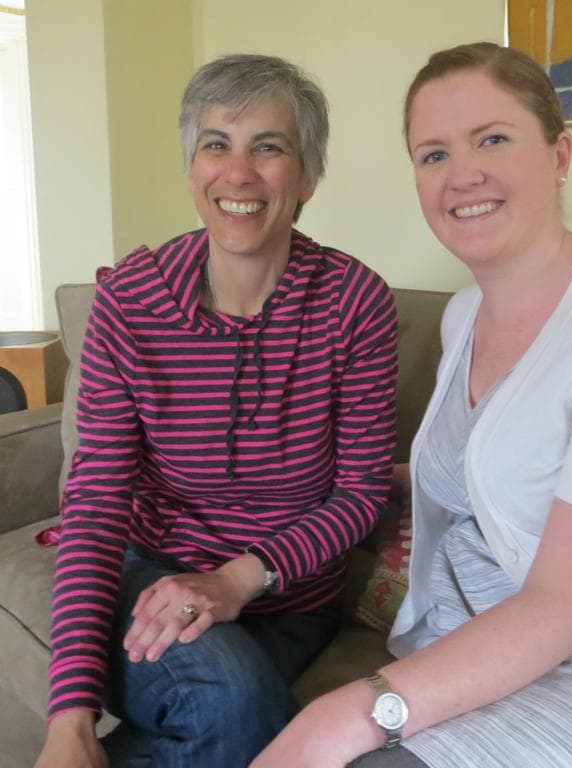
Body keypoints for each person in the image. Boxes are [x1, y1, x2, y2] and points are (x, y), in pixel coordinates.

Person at [249, 42, 572, 768]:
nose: (462, 174)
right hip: (519, 646)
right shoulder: (465, 316)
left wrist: (345, 715)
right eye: (433, 154)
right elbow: (490, 466)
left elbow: (562, 602)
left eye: (491, 138)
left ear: (559, 155)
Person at [33, 53, 397, 768]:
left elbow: (359, 493)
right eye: (216, 144)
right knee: (234, 703)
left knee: (232, 708)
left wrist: (238, 579)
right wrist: (68, 719)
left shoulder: (355, 302)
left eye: (270, 146)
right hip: (153, 571)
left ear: (309, 175)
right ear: (192, 167)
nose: (240, 174)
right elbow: (97, 503)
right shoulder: (130, 302)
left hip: (288, 597)